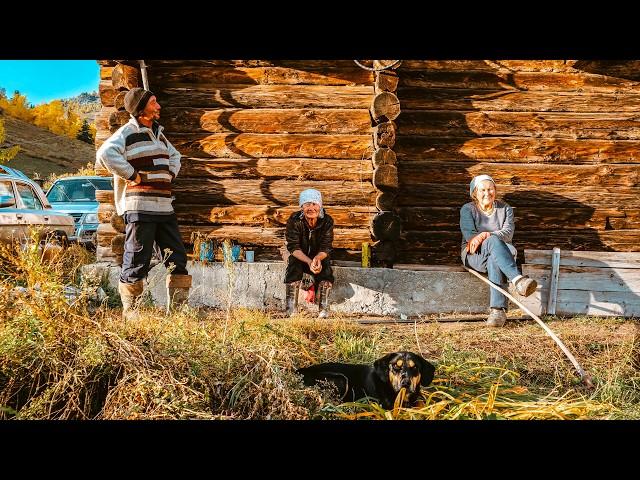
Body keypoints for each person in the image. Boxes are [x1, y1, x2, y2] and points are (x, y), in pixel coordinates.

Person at [96, 87, 191, 318]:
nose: (158, 106)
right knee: (137, 259)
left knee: (177, 258)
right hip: (139, 209)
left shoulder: (159, 133)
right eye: (153, 103)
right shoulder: (127, 132)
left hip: (164, 208)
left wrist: (171, 174)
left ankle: (177, 315)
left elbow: (176, 156)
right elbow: (105, 154)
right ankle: (132, 314)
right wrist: (132, 175)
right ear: (141, 109)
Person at [460, 174, 537, 327]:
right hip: (474, 255)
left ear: (495, 190)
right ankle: (518, 280)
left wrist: (486, 235)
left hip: (500, 255)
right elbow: (470, 236)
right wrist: (486, 237)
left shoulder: (505, 208)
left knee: (494, 257)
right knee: (493, 242)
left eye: (490, 189)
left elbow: (508, 233)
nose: (487, 193)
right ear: (475, 192)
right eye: (482, 190)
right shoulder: (468, 209)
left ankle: (497, 312)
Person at [284, 189, 334, 318]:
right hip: (300, 256)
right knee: (293, 265)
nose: (311, 208)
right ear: (301, 207)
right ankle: (291, 309)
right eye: (307, 204)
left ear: (320, 206)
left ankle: (323, 309)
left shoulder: (327, 221)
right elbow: (293, 247)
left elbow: (326, 246)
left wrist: (317, 259)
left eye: (314, 204)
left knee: (326, 268)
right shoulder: (295, 220)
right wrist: (309, 261)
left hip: (318, 256)